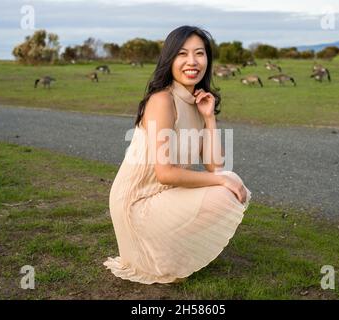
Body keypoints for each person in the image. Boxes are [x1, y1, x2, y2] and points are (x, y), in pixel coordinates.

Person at [104, 25, 251, 284]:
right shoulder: (163, 100)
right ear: (170, 59)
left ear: (208, 59)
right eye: (183, 54)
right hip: (137, 201)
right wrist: (222, 180)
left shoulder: (198, 101)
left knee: (231, 182)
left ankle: (170, 252)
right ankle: (156, 254)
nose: (192, 62)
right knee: (227, 185)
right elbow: (165, 173)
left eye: (200, 53)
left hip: (162, 194)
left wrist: (209, 118)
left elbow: (215, 165)